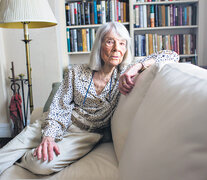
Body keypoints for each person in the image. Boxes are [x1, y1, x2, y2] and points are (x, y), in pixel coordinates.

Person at [0, 22, 179, 175]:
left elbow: (171, 55)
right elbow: (59, 105)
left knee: (40, 164)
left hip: (83, 135)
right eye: (110, 42)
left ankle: (24, 159)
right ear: (99, 45)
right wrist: (49, 136)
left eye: (122, 43)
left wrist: (138, 66)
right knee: (4, 155)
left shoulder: (124, 74)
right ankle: (28, 149)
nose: (117, 49)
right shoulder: (76, 72)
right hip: (54, 122)